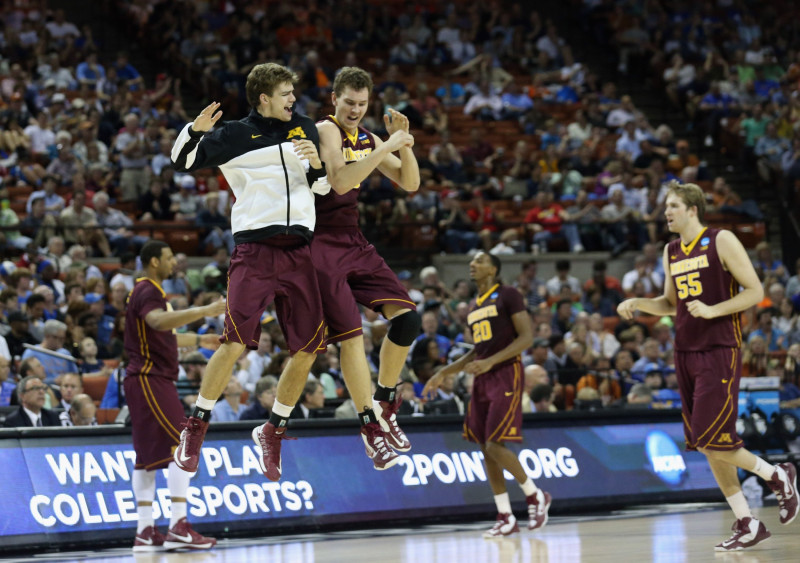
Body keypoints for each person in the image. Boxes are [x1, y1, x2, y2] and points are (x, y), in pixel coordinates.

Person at [170, 62, 332, 482]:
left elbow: (322, 189)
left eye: (293, 93)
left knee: (309, 347)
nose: (293, 100)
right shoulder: (237, 134)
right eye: (285, 94)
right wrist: (195, 130)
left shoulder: (306, 129)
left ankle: (273, 429)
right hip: (255, 250)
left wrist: (317, 166)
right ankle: (196, 426)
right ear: (263, 98)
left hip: (299, 250)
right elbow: (183, 161)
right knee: (235, 341)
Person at [617, 181, 797, 552]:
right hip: (685, 351)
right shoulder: (671, 251)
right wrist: (638, 302)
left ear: (692, 209)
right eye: (666, 206)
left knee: (710, 436)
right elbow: (671, 304)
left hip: (719, 348)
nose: (666, 212)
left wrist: (714, 309)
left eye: (672, 206)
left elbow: (755, 291)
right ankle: (747, 522)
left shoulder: (721, 240)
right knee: (706, 442)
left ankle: (777, 474)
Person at [313, 66, 422, 464]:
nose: (356, 110)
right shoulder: (325, 130)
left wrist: (404, 145)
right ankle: (369, 429)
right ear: (335, 100)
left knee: (409, 320)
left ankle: (386, 401)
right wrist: (385, 146)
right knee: (351, 337)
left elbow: (410, 184)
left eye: (362, 104)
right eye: (349, 103)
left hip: (353, 241)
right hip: (319, 242)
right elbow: (340, 181)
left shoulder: (369, 138)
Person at [423, 252, 551, 538]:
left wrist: (492, 361)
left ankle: (535, 495)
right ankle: (505, 515)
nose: (472, 264)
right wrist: (445, 372)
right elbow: (477, 351)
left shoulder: (508, 294)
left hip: (506, 372)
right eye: (471, 261)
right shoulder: (473, 306)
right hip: (483, 377)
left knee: (494, 445)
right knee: (485, 447)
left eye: (479, 261)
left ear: (493, 269)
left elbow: (526, 338)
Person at [124, 240, 224, 552]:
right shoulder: (148, 290)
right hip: (149, 377)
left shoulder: (144, 292)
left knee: (145, 456)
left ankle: (145, 530)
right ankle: (179, 526)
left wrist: (199, 339)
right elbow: (158, 321)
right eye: (168, 258)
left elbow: (163, 334)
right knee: (184, 444)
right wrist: (205, 311)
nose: (173, 263)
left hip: (144, 378)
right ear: (154, 261)